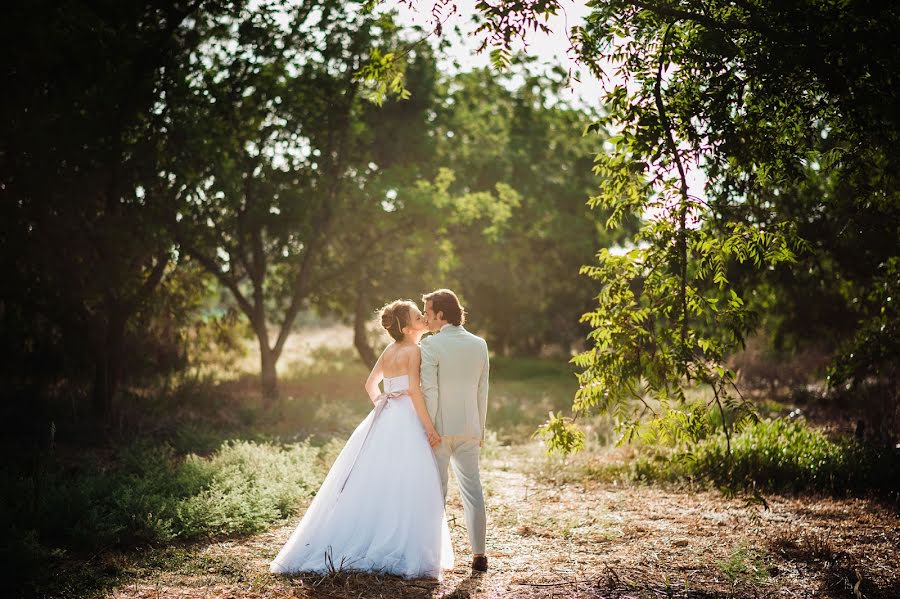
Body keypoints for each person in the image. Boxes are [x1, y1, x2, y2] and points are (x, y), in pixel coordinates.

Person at [269, 300, 454, 579]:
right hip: (405, 418)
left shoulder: (389, 350)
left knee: (376, 477)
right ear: (406, 328)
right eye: (419, 317)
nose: (424, 320)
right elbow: (415, 391)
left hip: (385, 417)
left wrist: (383, 402)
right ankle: (399, 540)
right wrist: (429, 428)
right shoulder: (414, 351)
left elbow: (370, 384)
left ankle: (374, 531)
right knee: (408, 479)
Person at [420, 289, 490, 572]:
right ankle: (479, 555)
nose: (425, 317)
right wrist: (480, 429)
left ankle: (433, 556)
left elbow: (430, 391)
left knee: (437, 491)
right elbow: (482, 391)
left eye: (427, 312)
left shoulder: (431, 345)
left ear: (440, 314)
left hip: (440, 430)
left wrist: (430, 429)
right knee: (473, 491)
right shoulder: (480, 344)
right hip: (470, 427)